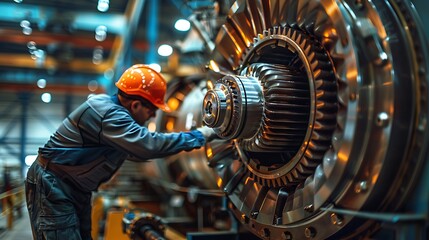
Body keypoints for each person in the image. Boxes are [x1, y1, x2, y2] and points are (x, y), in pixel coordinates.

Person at [25, 64, 216, 240]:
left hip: (74, 188)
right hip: (53, 184)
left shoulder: (113, 115)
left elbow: (137, 152)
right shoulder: (109, 113)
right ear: (135, 105)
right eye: (152, 109)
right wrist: (198, 135)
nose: (155, 115)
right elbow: (147, 145)